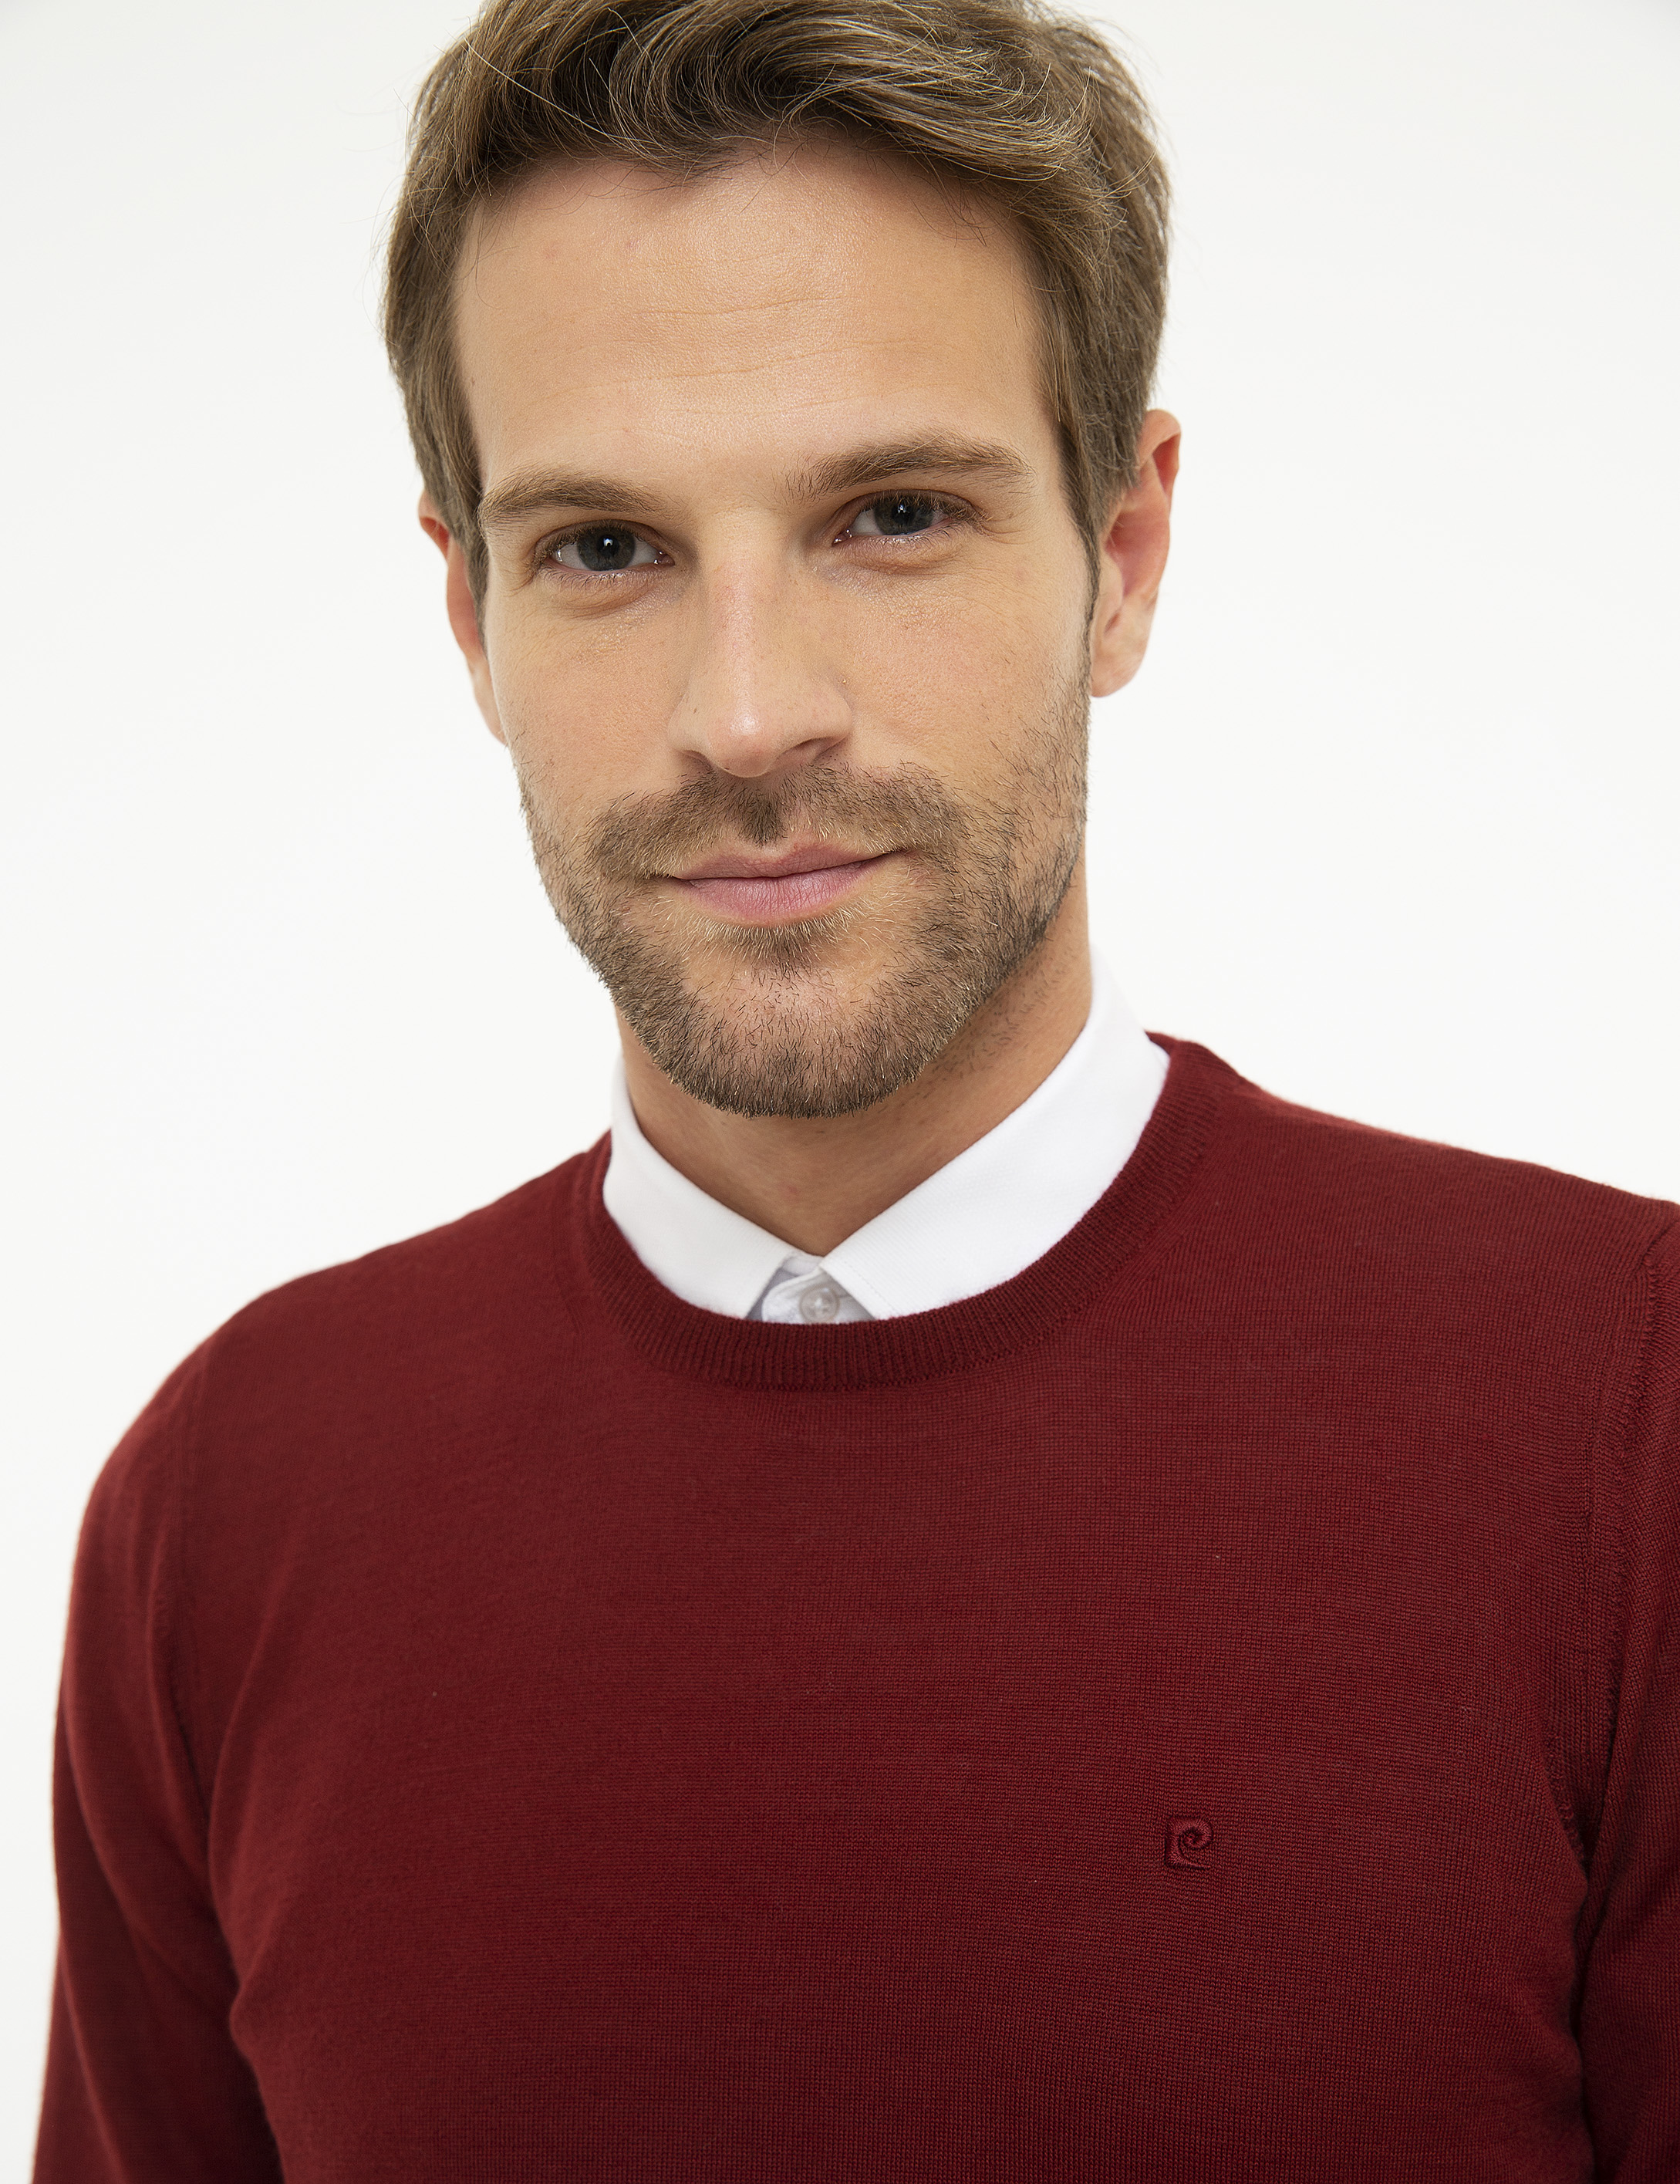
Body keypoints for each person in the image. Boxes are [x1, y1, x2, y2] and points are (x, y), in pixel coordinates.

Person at [32, 0, 1678, 2173]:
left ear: (1121, 554)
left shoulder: (1625, 1418)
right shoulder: (231, 1501)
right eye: (602, 548)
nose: (745, 715)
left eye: (891, 514)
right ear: (469, 618)